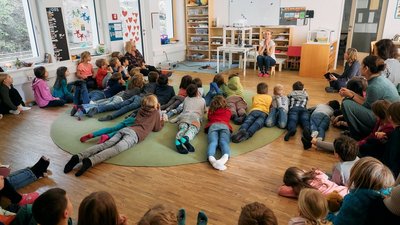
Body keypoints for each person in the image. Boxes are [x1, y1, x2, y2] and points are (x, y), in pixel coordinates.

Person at [64, 94, 164, 176]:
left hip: (126, 129)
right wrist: (162, 121)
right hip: (134, 135)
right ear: (155, 105)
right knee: (115, 149)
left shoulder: (140, 110)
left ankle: (78, 157)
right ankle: (90, 161)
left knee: (105, 145)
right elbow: (156, 128)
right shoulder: (156, 113)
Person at [339, 55, 400, 140]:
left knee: (346, 104)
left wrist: (351, 95)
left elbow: (367, 105)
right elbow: (368, 101)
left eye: (361, 65)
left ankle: (356, 136)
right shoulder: (378, 78)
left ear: (366, 68)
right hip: (384, 114)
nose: (359, 67)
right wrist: (350, 93)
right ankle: (355, 132)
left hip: (385, 119)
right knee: (347, 100)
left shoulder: (374, 86)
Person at [326, 157, 395, 225]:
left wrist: (328, 215)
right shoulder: (386, 197)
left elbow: (338, 223)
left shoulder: (353, 200)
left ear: (356, 179)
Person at [171, 84, 206, 154]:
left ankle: (178, 140)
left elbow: (183, 109)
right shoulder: (202, 100)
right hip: (195, 117)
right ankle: (186, 138)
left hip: (184, 116)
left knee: (183, 128)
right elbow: (203, 112)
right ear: (197, 92)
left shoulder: (186, 99)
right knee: (193, 129)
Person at [278, 167, 348, 198]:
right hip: (344, 190)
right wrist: (304, 173)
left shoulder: (301, 190)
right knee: (328, 175)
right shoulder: (317, 174)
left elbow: (280, 190)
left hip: (337, 199)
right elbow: (325, 177)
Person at [205, 96, 232, 171]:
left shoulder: (211, 110)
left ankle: (211, 159)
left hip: (213, 126)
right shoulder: (228, 111)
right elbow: (228, 117)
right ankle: (224, 159)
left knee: (213, 142)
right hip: (225, 126)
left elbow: (209, 118)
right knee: (223, 142)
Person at [382, 101, 400, 177]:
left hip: (392, 175)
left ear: (390, 118)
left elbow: (391, 159)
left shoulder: (396, 134)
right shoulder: (394, 133)